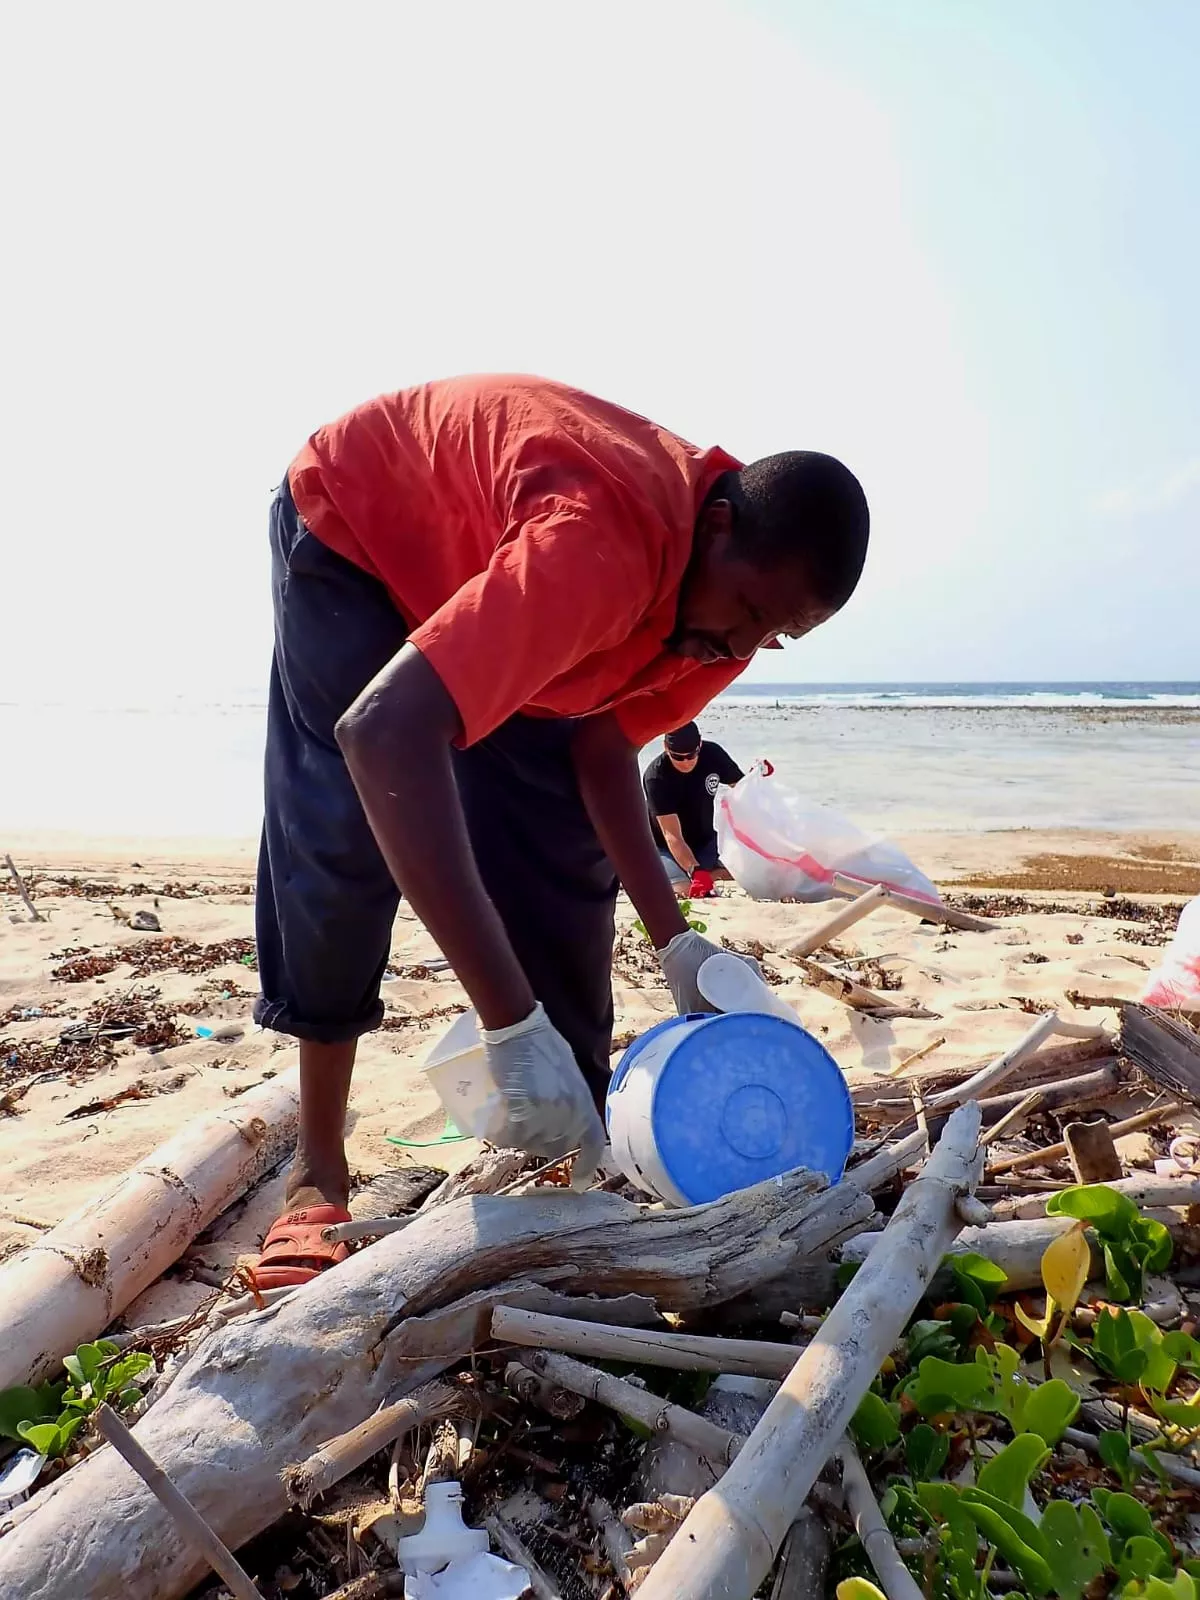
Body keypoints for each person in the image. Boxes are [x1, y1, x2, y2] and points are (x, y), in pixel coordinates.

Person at [249, 373, 869, 1287]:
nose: (740, 649)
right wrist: (506, 1023)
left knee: (560, 869)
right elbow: (382, 733)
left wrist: (677, 944)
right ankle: (317, 1177)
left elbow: (600, 753)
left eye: (774, 636)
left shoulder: (721, 624)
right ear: (721, 526)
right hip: (362, 530)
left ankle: (562, 1157)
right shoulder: (598, 549)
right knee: (345, 836)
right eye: (745, 616)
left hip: (511, 587)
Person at [644, 723, 743, 898]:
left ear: (700, 745)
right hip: (663, 846)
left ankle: (708, 872)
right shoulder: (656, 777)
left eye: (691, 755)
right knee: (685, 889)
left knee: (745, 871)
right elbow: (671, 835)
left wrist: (759, 777)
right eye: (678, 757)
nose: (686, 762)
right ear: (666, 748)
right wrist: (695, 871)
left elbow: (743, 789)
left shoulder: (713, 755)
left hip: (705, 840)